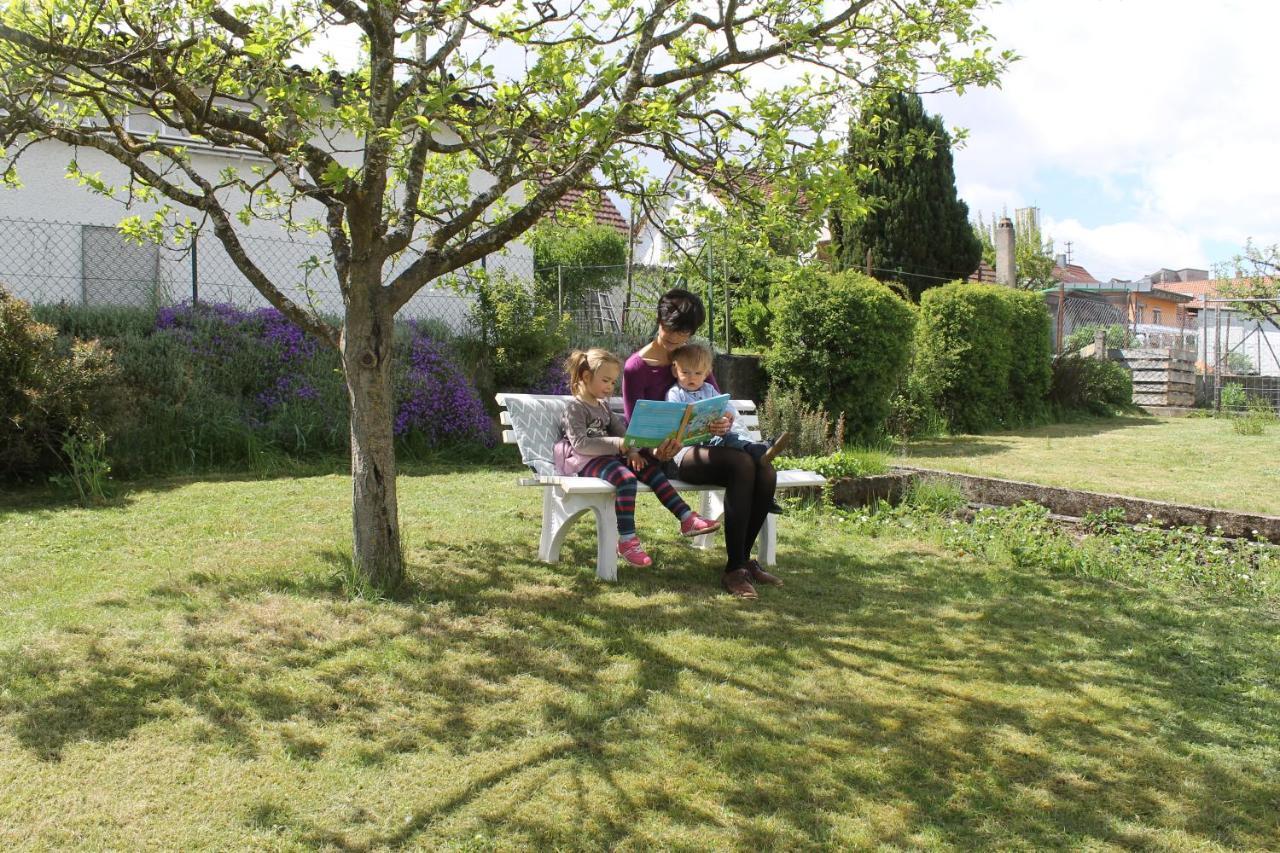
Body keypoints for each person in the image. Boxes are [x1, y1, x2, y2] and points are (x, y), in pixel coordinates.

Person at [623, 289, 783, 599]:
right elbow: (634, 425)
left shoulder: (694, 357)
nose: (675, 340)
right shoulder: (636, 367)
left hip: (707, 446)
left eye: (683, 335)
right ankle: (735, 570)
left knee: (765, 470)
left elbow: (715, 403)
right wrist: (653, 450)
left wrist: (722, 423)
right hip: (668, 455)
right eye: (670, 331)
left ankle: (741, 562)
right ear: (658, 320)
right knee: (741, 464)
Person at [554, 347, 722, 568]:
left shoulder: (602, 407)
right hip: (584, 461)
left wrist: (633, 451)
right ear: (586, 377)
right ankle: (627, 541)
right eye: (606, 380)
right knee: (625, 479)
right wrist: (619, 445)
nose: (610, 387)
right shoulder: (575, 408)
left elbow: (623, 432)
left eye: (613, 382)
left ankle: (686, 518)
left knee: (650, 470)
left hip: (609, 459)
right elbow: (581, 444)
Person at [666, 341, 791, 465]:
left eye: (698, 373)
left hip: (712, 438)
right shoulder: (675, 393)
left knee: (730, 437)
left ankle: (755, 449)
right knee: (733, 451)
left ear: (706, 374)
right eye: (685, 372)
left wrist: (726, 416)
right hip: (689, 445)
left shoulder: (708, 389)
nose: (691, 377)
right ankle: (757, 451)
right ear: (675, 371)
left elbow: (727, 407)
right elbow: (673, 419)